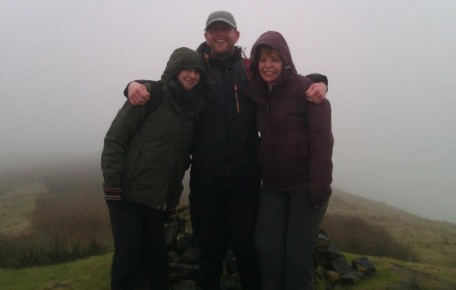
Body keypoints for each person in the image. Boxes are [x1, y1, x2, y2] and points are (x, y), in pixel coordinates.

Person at [124, 11, 329, 290]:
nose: (220, 34)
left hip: (244, 180)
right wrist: (132, 85)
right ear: (206, 36)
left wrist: (320, 81)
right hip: (207, 178)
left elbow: (286, 78)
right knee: (210, 251)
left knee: (246, 248)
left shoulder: (249, 69)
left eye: (226, 30)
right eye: (214, 30)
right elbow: (167, 84)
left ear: (236, 35)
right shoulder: (196, 70)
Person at [101, 47, 206, 290]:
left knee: (157, 262)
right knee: (127, 260)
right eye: (186, 70)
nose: (192, 75)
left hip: (155, 200)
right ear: (175, 71)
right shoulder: (150, 95)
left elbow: (179, 161)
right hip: (126, 194)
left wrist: (171, 201)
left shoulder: (193, 112)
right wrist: (113, 185)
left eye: (196, 71)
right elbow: (115, 139)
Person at [244, 31, 334, 290]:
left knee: (297, 257)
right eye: (262, 60)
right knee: (267, 249)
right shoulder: (259, 94)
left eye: (274, 59)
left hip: (305, 187)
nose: (268, 65)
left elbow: (321, 140)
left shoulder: (307, 91)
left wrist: (319, 187)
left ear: (285, 60)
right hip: (272, 188)